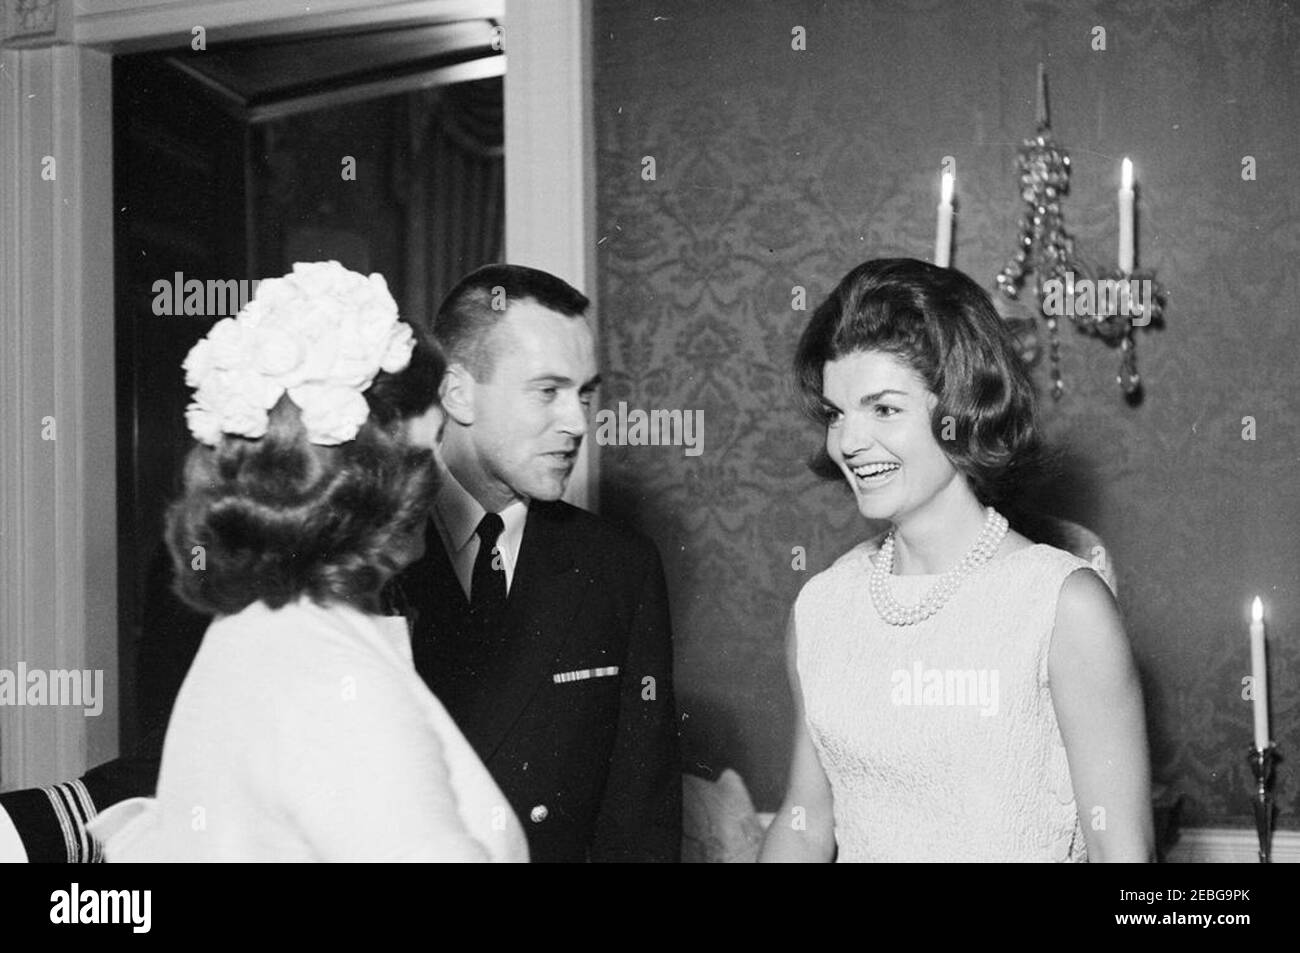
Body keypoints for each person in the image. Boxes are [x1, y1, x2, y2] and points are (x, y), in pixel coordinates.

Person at [1, 263, 681, 864]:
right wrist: (26, 829)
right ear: (456, 395)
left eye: (586, 393)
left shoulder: (616, 566)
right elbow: (201, 769)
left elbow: (639, 819)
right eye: (548, 390)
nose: (578, 421)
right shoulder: (320, 617)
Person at [86, 261, 528, 861]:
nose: (440, 483)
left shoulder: (261, 630)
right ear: (363, 486)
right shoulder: (331, 676)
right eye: (426, 456)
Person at [758, 258, 1154, 863]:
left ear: (963, 409)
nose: (849, 442)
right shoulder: (822, 608)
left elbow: (1119, 850)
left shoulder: (1062, 605)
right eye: (837, 413)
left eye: (883, 409)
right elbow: (806, 822)